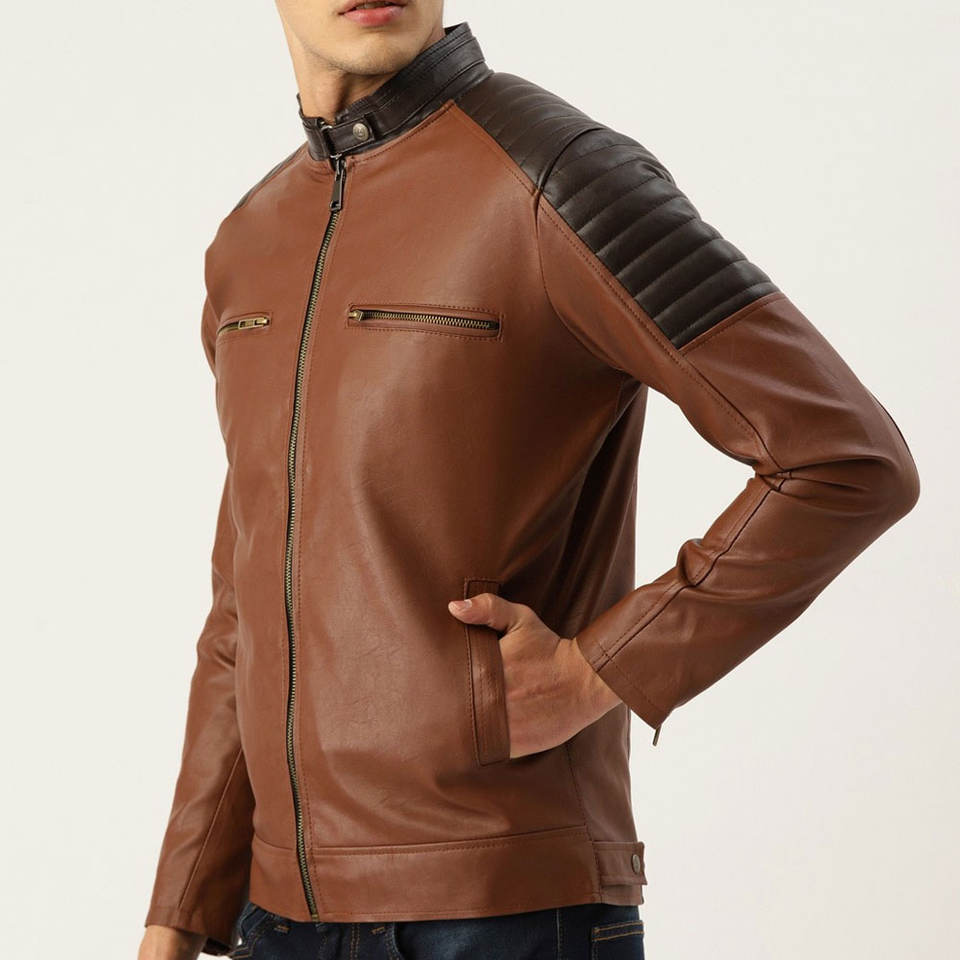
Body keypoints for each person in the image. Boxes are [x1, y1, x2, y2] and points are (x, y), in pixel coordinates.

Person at [138, 2, 920, 958]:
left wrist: (603, 668)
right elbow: (246, 601)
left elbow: (843, 457)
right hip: (280, 922)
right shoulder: (248, 241)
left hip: (501, 911)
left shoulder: (561, 178)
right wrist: (180, 908)